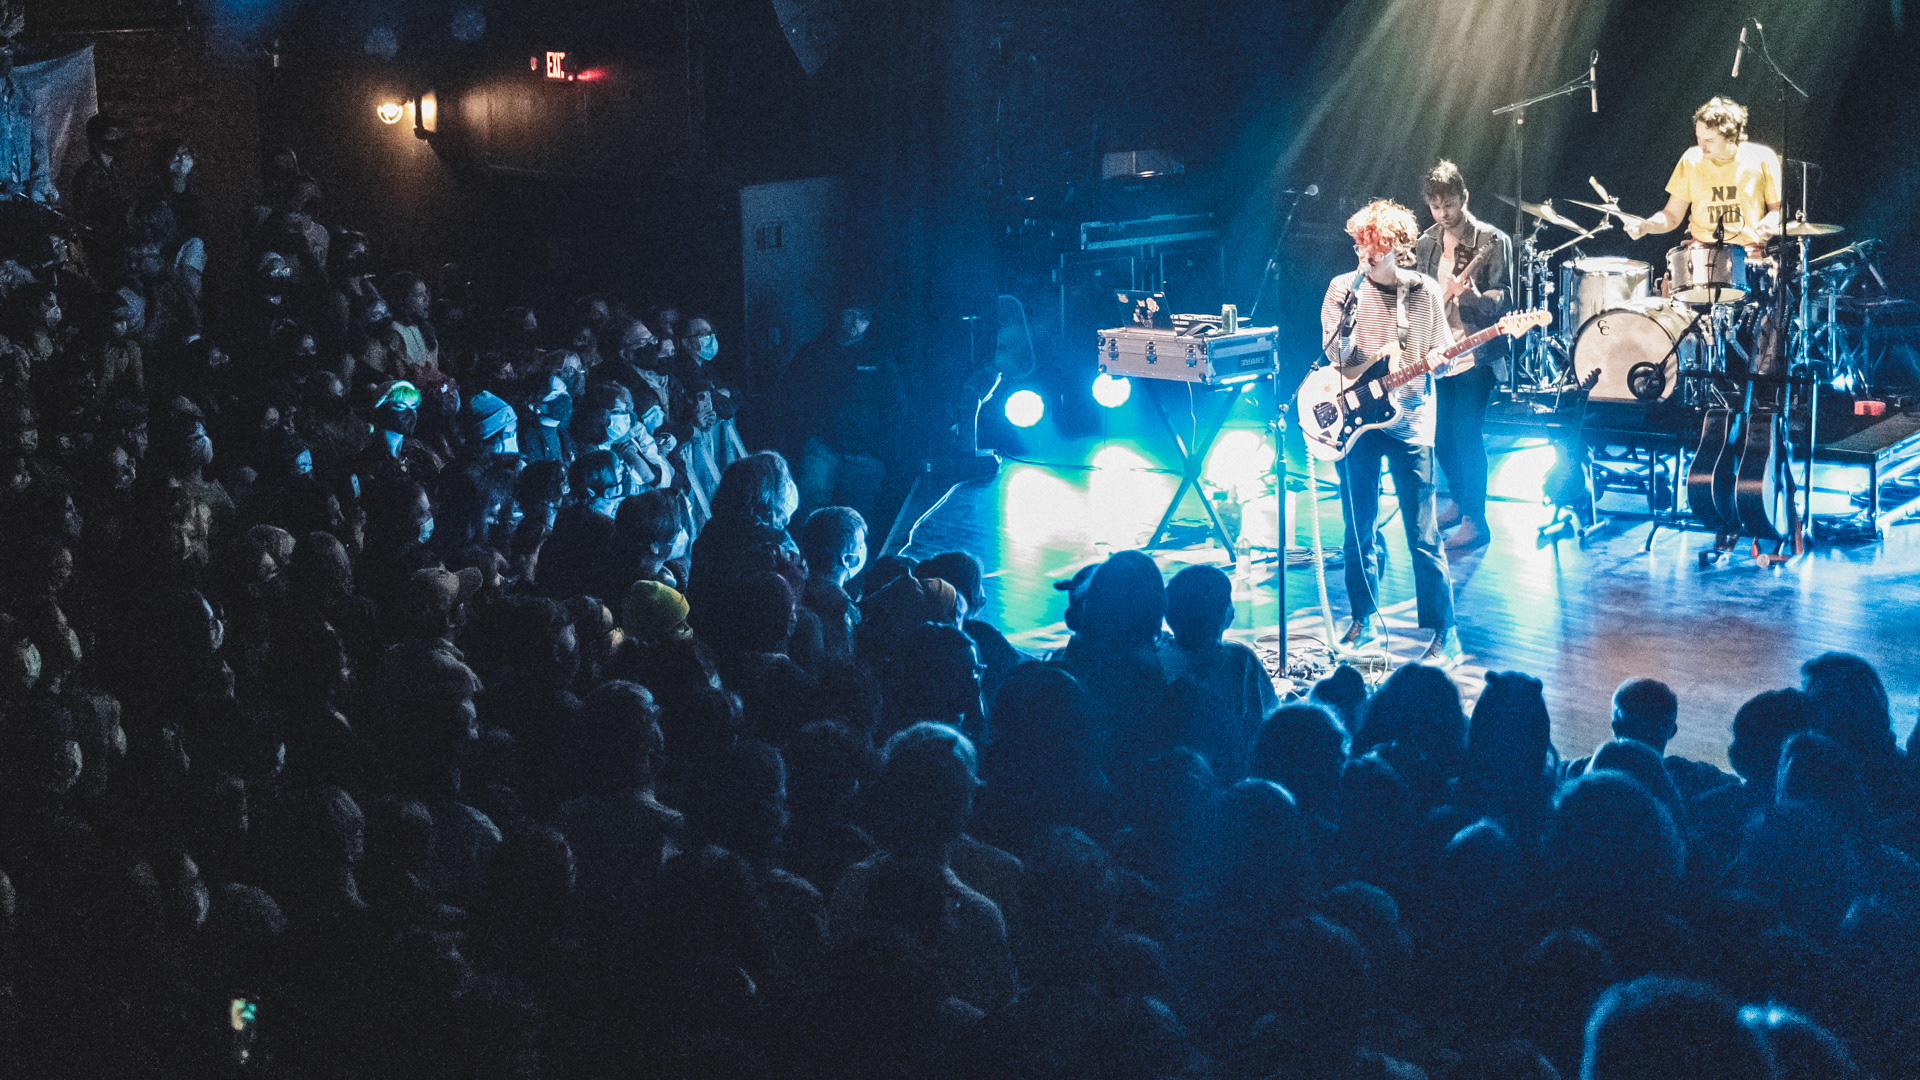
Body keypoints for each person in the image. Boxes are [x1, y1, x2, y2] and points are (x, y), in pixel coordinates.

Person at [1319, 199, 1463, 665]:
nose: (1365, 250)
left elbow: (1443, 359)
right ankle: (1362, 617)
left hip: (1411, 423)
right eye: (1360, 241)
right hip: (1358, 423)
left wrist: (1438, 364)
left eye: (1375, 242)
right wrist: (1349, 324)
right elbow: (1335, 358)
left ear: (1398, 246)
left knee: (1422, 533)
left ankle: (1445, 633)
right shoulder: (1343, 289)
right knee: (1357, 530)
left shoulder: (1424, 292)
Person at [1413, 160, 1510, 552]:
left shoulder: (1490, 239)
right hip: (1439, 353)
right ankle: (1458, 502)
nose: (1443, 213)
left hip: (1476, 353)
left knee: (1466, 437)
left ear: (1464, 198)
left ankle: (1476, 521)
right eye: (1436, 206)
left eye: (1449, 204)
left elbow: (1503, 298)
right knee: (1441, 438)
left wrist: (1468, 295)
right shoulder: (1426, 242)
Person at [1624, 96, 1783, 256]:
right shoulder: (1691, 158)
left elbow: (1778, 210)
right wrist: (1646, 226)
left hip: (1749, 253)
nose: (1701, 145)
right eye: (1699, 137)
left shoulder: (1761, 157)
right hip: (1700, 253)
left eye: (1709, 140)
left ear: (1731, 137)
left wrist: (1769, 223)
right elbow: (1672, 215)